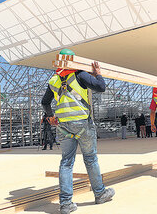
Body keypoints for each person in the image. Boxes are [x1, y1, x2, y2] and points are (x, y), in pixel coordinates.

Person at [41, 49, 115, 214]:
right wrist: (98, 73)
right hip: (82, 123)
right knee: (90, 159)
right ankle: (100, 193)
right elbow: (101, 87)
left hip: (62, 125)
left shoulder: (53, 80)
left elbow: (45, 102)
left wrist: (50, 117)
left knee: (66, 162)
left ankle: (66, 204)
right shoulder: (79, 74)